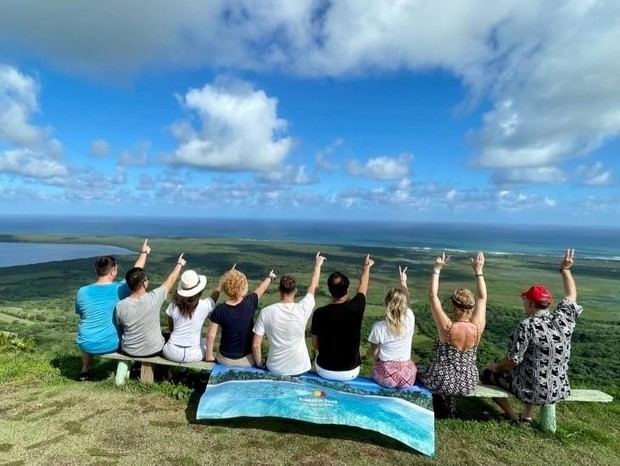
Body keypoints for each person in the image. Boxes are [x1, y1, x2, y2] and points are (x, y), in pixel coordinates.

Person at [482, 249, 582, 422]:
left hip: (531, 390)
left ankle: (512, 416)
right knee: (532, 362)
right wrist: (566, 270)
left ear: (529, 303)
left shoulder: (527, 326)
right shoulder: (563, 320)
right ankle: (527, 415)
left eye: (525, 301)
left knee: (486, 374)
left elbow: (513, 361)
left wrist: (495, 367)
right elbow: (571, 296)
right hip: (558, 388)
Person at [418, 251, 487, 416]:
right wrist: (479, 270)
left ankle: (439, 402)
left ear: (454, 306)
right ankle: (451, 406)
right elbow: (483, 298)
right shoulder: (477, 327)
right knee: (448, 377)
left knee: (419, 370)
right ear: (470, 307)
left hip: (443, 379)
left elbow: (432, 295)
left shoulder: (447, 327)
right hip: (469, 380)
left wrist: (437, 269)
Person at [75, 238, 151, 380]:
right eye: (116, 269)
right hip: (111, 344)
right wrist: (144, 253)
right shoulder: (119, 290)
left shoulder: (82, 291)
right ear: (112, 271)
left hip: (86, 342)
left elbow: (82, 314)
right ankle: (130, 369)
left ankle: (84, 369)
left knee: (86, 325)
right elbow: (135, 273)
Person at [252, 252, 327, 376]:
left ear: (279, 290)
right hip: (300, 367)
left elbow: (255, 345)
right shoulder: (302, 309)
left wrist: (259, 364)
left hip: (275, 368)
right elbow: (313, 288)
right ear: (295, 291)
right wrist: (318, 265)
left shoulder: (266, 312)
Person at [311, 254, 374, 381]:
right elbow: (363, 285)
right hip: (351, 371)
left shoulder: (319, 313)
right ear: (347, 288)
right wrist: (367, 267)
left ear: (330, 290)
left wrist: (317, 265)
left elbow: (315, 345)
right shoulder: (357, 307)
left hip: (324, 370)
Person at [115, 252, 186, 357]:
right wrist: (179, 264)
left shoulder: (120, 306)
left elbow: (120, 325)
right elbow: (170, 281)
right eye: (147, 279)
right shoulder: (154, 298)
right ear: (144, 283)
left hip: (129, 350)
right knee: (169, 335)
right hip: (154, 350)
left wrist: (143, 253)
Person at [205, 267, 276, 367]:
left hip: (224, 360)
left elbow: (210, 336)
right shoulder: (250, 302)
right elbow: (262, 288)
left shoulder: (219, 309)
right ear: (243, 288)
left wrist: (209, 356)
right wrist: (270, 277)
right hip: (246, 361)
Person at [162, 265, 232, 363]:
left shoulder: (173, 305)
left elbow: (171, 328)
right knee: (206, 342)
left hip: (171, 352)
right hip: (194, 355)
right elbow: (214, 297)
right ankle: (202, 375)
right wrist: (222, 282)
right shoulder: (204, 306)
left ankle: (178, 372)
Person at [368, 266, 416, 388]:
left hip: (387, 376)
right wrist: (403, 282)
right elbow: (406, 300)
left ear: (386, 303)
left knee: (373, 370)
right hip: (408, 376)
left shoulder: (379, 327)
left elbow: (374, 354)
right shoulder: (410, 317)